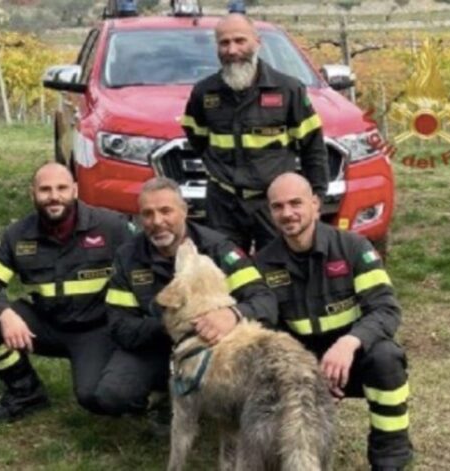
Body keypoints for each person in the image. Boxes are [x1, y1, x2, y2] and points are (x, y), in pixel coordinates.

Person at [255, 173, 413, 471]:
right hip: (299, 368)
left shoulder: (354, 248)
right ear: (270, 212)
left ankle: (390, 458)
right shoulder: (262, 265)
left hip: (352, 359)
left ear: (315, 204)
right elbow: (266, 330)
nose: (287, 213)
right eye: (278, 207)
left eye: (296, 203)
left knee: (386, 359)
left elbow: (385, 309)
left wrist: (349, 342)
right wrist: (306, 371)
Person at [94, 177, 276, 419]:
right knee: (112, 395)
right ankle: (161, 397)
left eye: (166, 211)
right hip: (156, 347)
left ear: (184, 211)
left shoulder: (218, 248)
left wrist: (231, 315)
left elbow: (264, 300)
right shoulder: (128, 257)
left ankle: (216, 401)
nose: (157, 222)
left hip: (214, 349)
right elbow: (120, 326)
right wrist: (174, 325)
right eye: (147, 214)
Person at [0, 162, 133, 421]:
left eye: (61, 188)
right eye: (45, 189)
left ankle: (132, 380)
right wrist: (5, 314)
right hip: (45, 325)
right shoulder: (17, 234)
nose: (53, 196)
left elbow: (144, 265)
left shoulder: (111, 226)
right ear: (32, 194)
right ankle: (26, 392)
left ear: (75, 190)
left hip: (95, 331)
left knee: (95, 398)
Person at [181, 13, 329, 253]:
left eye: (240, 41)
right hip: (223, 203)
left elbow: (313, 147)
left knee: (278, 272)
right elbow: (196, 138)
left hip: (273, 204)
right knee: (226, 271)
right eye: (224, 43)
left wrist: (317, 196)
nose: (232, 50)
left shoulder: (288, 90)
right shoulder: (204, 94)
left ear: (257, 42)